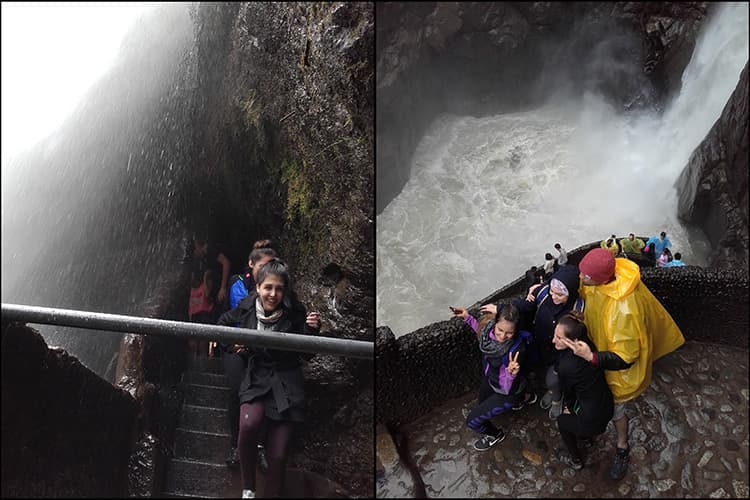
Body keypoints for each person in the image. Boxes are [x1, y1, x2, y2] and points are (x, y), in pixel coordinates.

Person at [568, 248, 684, 480]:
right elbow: (584, 292)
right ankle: (591, 426)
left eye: (585, 276)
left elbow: (626, 357)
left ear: (600, 279)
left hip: (616, 370)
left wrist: (591, 357)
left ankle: (622, 446)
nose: (581, 279)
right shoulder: (603, 279)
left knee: (617, 410)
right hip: (597, 353)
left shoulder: (624, 308)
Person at [217, 259, 321, 499]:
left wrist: (311, 331)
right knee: (248, 425)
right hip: (257, 376)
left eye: (279, 288)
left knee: (278, 454)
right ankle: (249, 489)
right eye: (268, 287)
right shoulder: (245, 307)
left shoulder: (295, 313)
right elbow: (222, 323)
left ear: (285, 290)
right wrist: (234, 343)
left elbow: (307, 354)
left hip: (286, 383)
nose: (273, 294)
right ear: (258, 286)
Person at [480, 265, 584, 418]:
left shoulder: (578, 309)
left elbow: (578, 335)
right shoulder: (543, 293)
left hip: (560, 354)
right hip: (538, 344)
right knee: (539, 370)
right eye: (552, 292)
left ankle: (557, 398)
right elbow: (526, 305)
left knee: (553, 380)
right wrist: (500, 309)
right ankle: (552, 392)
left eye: (560, 295)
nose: (554, 297)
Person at [222, 240, 277, 468]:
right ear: (251, 265)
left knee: (265, 396)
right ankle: (237, 447)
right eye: (263, 265)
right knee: (237, 393)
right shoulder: (239, 285)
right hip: (239, 347)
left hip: (263, 350)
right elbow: (231, 316)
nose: (267, 270)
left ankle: (260, 447)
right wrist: (232, 343)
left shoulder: (278, 289)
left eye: (271, 265)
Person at [450, 303, 531, 451]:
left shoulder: (514, 353)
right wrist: (467, 317)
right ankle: (523, 399)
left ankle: (495, 435)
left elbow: (506, 388)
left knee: (472, 421)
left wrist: (511, 374)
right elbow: (482, 334)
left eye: (509, 333)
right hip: (492, 379)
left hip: (507, 390)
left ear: (516, 331)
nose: (502, 336)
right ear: (494, 323)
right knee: (482, 403)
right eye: (500, 330)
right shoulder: (489, 332)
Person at [552, 311, 614, 470]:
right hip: (606, 405)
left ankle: (575, 459)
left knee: (562, 421)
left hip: (592, 419)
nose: (553, 340)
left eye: (559, 338)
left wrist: (565, 409)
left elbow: (568, 392)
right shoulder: (589, 348)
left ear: (574, 341)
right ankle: (585, 438)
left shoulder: (568, 366)